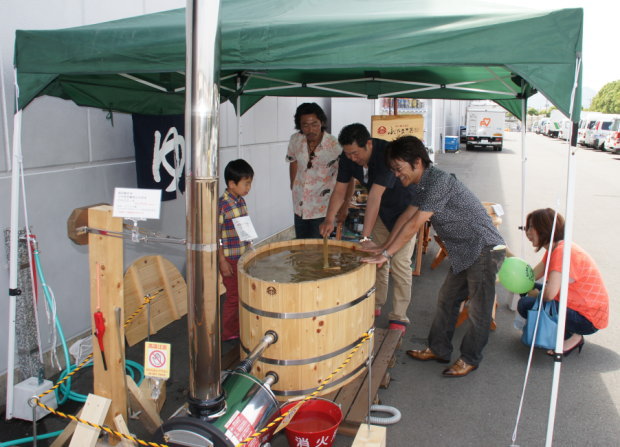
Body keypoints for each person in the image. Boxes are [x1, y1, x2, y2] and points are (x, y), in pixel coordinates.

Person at [363, 136, 505, 378]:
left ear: (417, 162)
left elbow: (415, 225)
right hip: (463, 251)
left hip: (484, 248)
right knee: (446, 300)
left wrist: (387, 254)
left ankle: (470, 358)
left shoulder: (439, 182)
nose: (396, 175)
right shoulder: (422, 185)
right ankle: (438, 349)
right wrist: (383, 246)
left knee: (478, 310)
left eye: (399, 169)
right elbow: (406, 217)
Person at [319, 123, 416, 334]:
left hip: (406, 211)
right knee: (376, 259)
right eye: (348, 154)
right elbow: (340, 189)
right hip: (382, 214)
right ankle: (377, 303)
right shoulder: (346, 157)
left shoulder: (387, 155)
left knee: (399, 263)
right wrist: (329, 219)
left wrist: (364, 237)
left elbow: (374, 196)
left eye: (356, 153)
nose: (352, 158)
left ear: (369, 144)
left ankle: (399, 316)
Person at [517, 208, 609, 355]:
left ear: (544, 229)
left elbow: (549, 295)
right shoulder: (557, 247)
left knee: (525, 304)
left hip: (587, 318)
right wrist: (522, 282)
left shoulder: (561, 252)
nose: (527, 232)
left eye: (530, 227)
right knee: (530, 294)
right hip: (583, 308)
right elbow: (532, 276)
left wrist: (531, 293)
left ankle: (573, 335)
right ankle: (564, 330)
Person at [285, 103, 344, 238]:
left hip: (323, 208)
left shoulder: (335, 145)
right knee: (302, 245)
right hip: (300, 205)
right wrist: (293, 184)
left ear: (322, 122)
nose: (310, 129)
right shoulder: (295, 140)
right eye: (305, 125)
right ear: (299, 125)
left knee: (317, 250)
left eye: (315, 124)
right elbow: (292, 160)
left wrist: (344, 205)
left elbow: (346, 177)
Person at [218, 159, 255, 341]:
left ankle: (238, 327)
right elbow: (215, 235)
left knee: (243, 293)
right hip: (230, 258)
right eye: (246, 183)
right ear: (231, 184)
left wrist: (250, 249)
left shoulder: (240, 201)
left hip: (243, 254)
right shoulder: (222, 205)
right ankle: (227, 333)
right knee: (233, 295)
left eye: (250, 183)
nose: (249, 187)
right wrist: (221, 260)